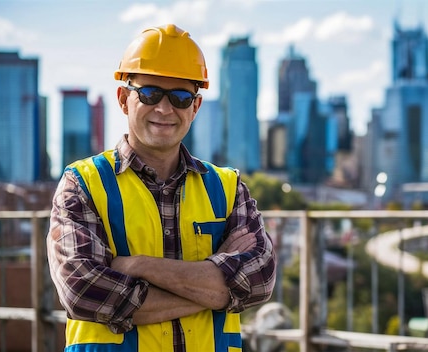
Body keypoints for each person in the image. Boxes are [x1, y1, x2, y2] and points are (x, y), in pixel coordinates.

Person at [46, 24, 276, 352]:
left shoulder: (227, 188)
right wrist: (217, 289)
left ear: (195, 108)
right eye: (150, 93)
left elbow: (260, 279)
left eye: (180, 97)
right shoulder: (83, 184)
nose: (165, 109)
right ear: (124, 99)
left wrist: (138, 266)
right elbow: (83, 291)